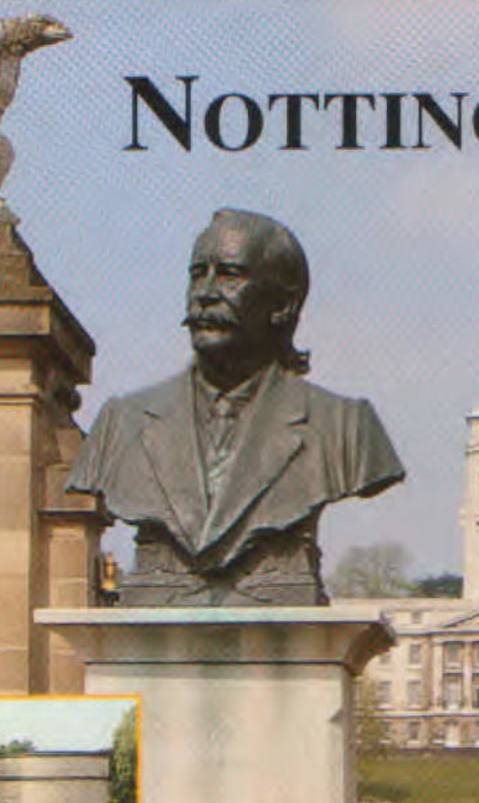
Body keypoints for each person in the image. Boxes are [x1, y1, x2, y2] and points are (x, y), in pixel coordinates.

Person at [67, 209, 405, 606]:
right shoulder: (120, 423)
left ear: (283, 304)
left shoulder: (345, 427)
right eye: (197, 274)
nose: (205, 293)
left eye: (229, 275)